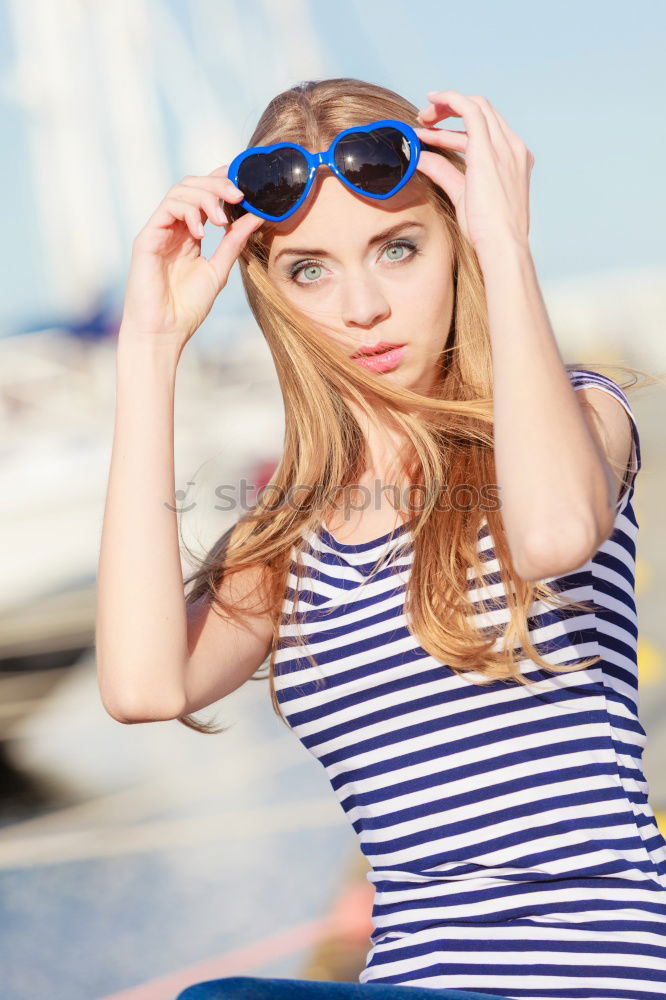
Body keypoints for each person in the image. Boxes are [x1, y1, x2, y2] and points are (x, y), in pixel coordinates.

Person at [95, 76, 666, 1000]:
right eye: (310, 269)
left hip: (601, 970)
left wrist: (505, 245)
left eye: (399, 248)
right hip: (410, 979)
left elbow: (557, 533)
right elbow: (140, 686)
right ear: (274, 293)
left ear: (454, 245)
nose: (359, 307)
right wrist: (148, 348)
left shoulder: (574, 416)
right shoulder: (286, 543)